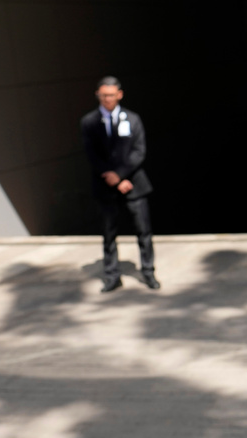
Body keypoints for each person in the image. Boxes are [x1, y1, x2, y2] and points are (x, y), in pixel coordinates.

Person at [81, 76, 160, 292]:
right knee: (108, 233)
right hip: (105, 185)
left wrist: (121, 175)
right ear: (98, 95)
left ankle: (148, 272)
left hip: (133, 183)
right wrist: (112, 177)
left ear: (119, 95)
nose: (107, 99)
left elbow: (139, 150)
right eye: (103, 95)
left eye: (111, 95)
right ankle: (112, 275)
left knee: (143, 231)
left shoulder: (133, 119)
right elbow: (92, 154)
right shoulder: (89, 122)